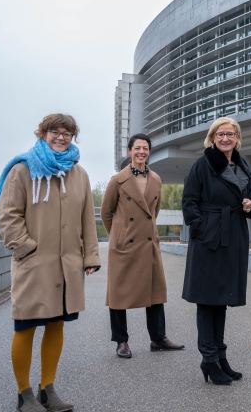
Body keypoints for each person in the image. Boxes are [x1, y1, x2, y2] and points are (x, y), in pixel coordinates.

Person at [0, 113, 100, 412]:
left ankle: (47, 389)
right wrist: (26, 248)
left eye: (68, 132)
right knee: (25, 326)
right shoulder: (23, 169)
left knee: (56, 325)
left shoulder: (79, 174)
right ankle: (23, 393)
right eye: (54, 131)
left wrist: (90, 255)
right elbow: (8, 216)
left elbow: (86, 220)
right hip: (34, 263)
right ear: (42, 133)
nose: (61, 136)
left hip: (67, 266)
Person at [181, 117, 251, 385]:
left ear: (237, 138)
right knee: (207, 299)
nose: (226, 138)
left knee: (221, 299)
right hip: (210, 239)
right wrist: (202, 229)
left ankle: (220, 357)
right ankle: (209, 359)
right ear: (212, 137)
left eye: (231, 134)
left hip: (233, 236)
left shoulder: (242, 164)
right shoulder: (202, 165)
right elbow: (189, 202)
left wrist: (250, 204)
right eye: (220, 134)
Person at [102, 133, 184, 359]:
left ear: (149, 152)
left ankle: (158, 338)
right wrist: (119, 235)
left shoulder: (156, 179)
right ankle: (121, 341)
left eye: (145, 149)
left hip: (148, 244)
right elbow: (106, 213)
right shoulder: (117, 180)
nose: (141, 152)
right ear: (130, 152)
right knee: (118, 295)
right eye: (137, 148)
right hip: (124, 245)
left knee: (155, 292)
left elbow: (153, 213)